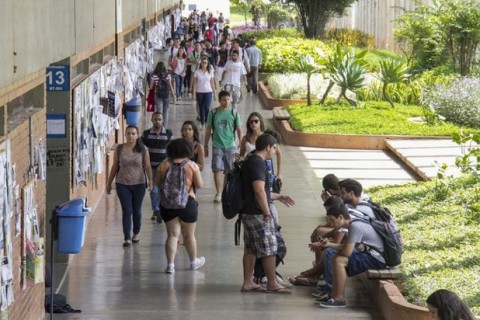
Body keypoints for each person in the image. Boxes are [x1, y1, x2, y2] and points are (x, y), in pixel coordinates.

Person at [240, 133, 295, 294]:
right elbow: (258, 191)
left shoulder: (250, 160)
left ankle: (248, 282)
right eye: (274, 148)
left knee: (250, 249)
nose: (275, 151)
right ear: (268, 147)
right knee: (270, 247)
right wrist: (266, 212)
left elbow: (261, 190)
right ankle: (272, 283)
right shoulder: (258, 163)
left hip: (248, 211)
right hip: (257, 212)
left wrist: (279, 196)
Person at [317, 203, 386, 308]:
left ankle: (339, 299)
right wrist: (329, 244)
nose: (330, 223)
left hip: (378, 258)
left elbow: (346, 252)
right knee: (336, 257)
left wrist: (335, 248)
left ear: (341, 217)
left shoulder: (354, 227)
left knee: (339, 260)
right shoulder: (352, 224)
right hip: (373, 254)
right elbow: (345, 247)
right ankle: (333, 295)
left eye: (332, 220)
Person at [156, 138, 205, 274]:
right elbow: (200, 184)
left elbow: (158, 183)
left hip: (168, 204)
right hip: (188, 203)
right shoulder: (192, 165)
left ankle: (170, 265)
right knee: (189, 235)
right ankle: (193, 261)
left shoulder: (164, 164)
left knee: (172, 235)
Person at [106, 126, 153, 248]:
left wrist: (151, 180)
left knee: (136, 211)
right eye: (128, 133)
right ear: (125, 135)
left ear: (137, 135)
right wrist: (109, 183)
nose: (131, 136)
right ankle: (126, 237)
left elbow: (147, 166)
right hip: (122, 183)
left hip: (139, 183)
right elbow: (115, 166)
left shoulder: (143, 149)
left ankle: (136, 233)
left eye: (133, 133)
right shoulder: (119, 149)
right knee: (127, 210)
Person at [203, 90, 242, 203]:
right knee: (216, 170)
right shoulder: (213, 113)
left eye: (228, 99)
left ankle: (225, 191)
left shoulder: (234, 113)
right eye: (224, 100)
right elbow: (208, 129)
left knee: (229, 171)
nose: (226, 102)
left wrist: (240, 142)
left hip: (230, 146)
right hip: (217, 145)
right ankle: (219, 192)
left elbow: (239, 130)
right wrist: (205, 145)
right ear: (219, 100)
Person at [239, 112, 283, 195]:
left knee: (267, 190)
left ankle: (267, 205)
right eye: (251, 122)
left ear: (260, 122)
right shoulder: (245, 138)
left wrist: (279, 173)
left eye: (256, 121)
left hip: (266, 166)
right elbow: (241, 155)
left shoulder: (267, 137)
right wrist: (241, 159)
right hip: (251, 166)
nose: (253, 124)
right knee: (253, 190)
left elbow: (279, 153)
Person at [141, 112, 173, 223]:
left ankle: (163, 209)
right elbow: (142, 150)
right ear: (152, 120)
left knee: (164, 189)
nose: (157, 121)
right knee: (154, 190)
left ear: (163, 120)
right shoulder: (146, 134)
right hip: (152, 167)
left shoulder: (168, 133)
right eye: (155, 119)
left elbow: (172, 149)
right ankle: (156, 210)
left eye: (159, 119)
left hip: (165, 167)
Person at [192, 56, 216, 130]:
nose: (204, 64)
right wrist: (193, 93)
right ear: (201, 63)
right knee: (201, 108)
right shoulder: (197, 72)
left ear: (208, 64)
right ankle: (202, 124)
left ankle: (207, 122)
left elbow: (212, 82)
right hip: (199, 92)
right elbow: (195, 83)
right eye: (203, 63)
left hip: (208, 92)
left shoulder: (210, 72)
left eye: (205, 63)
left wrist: (214, 92)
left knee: (206, 108)